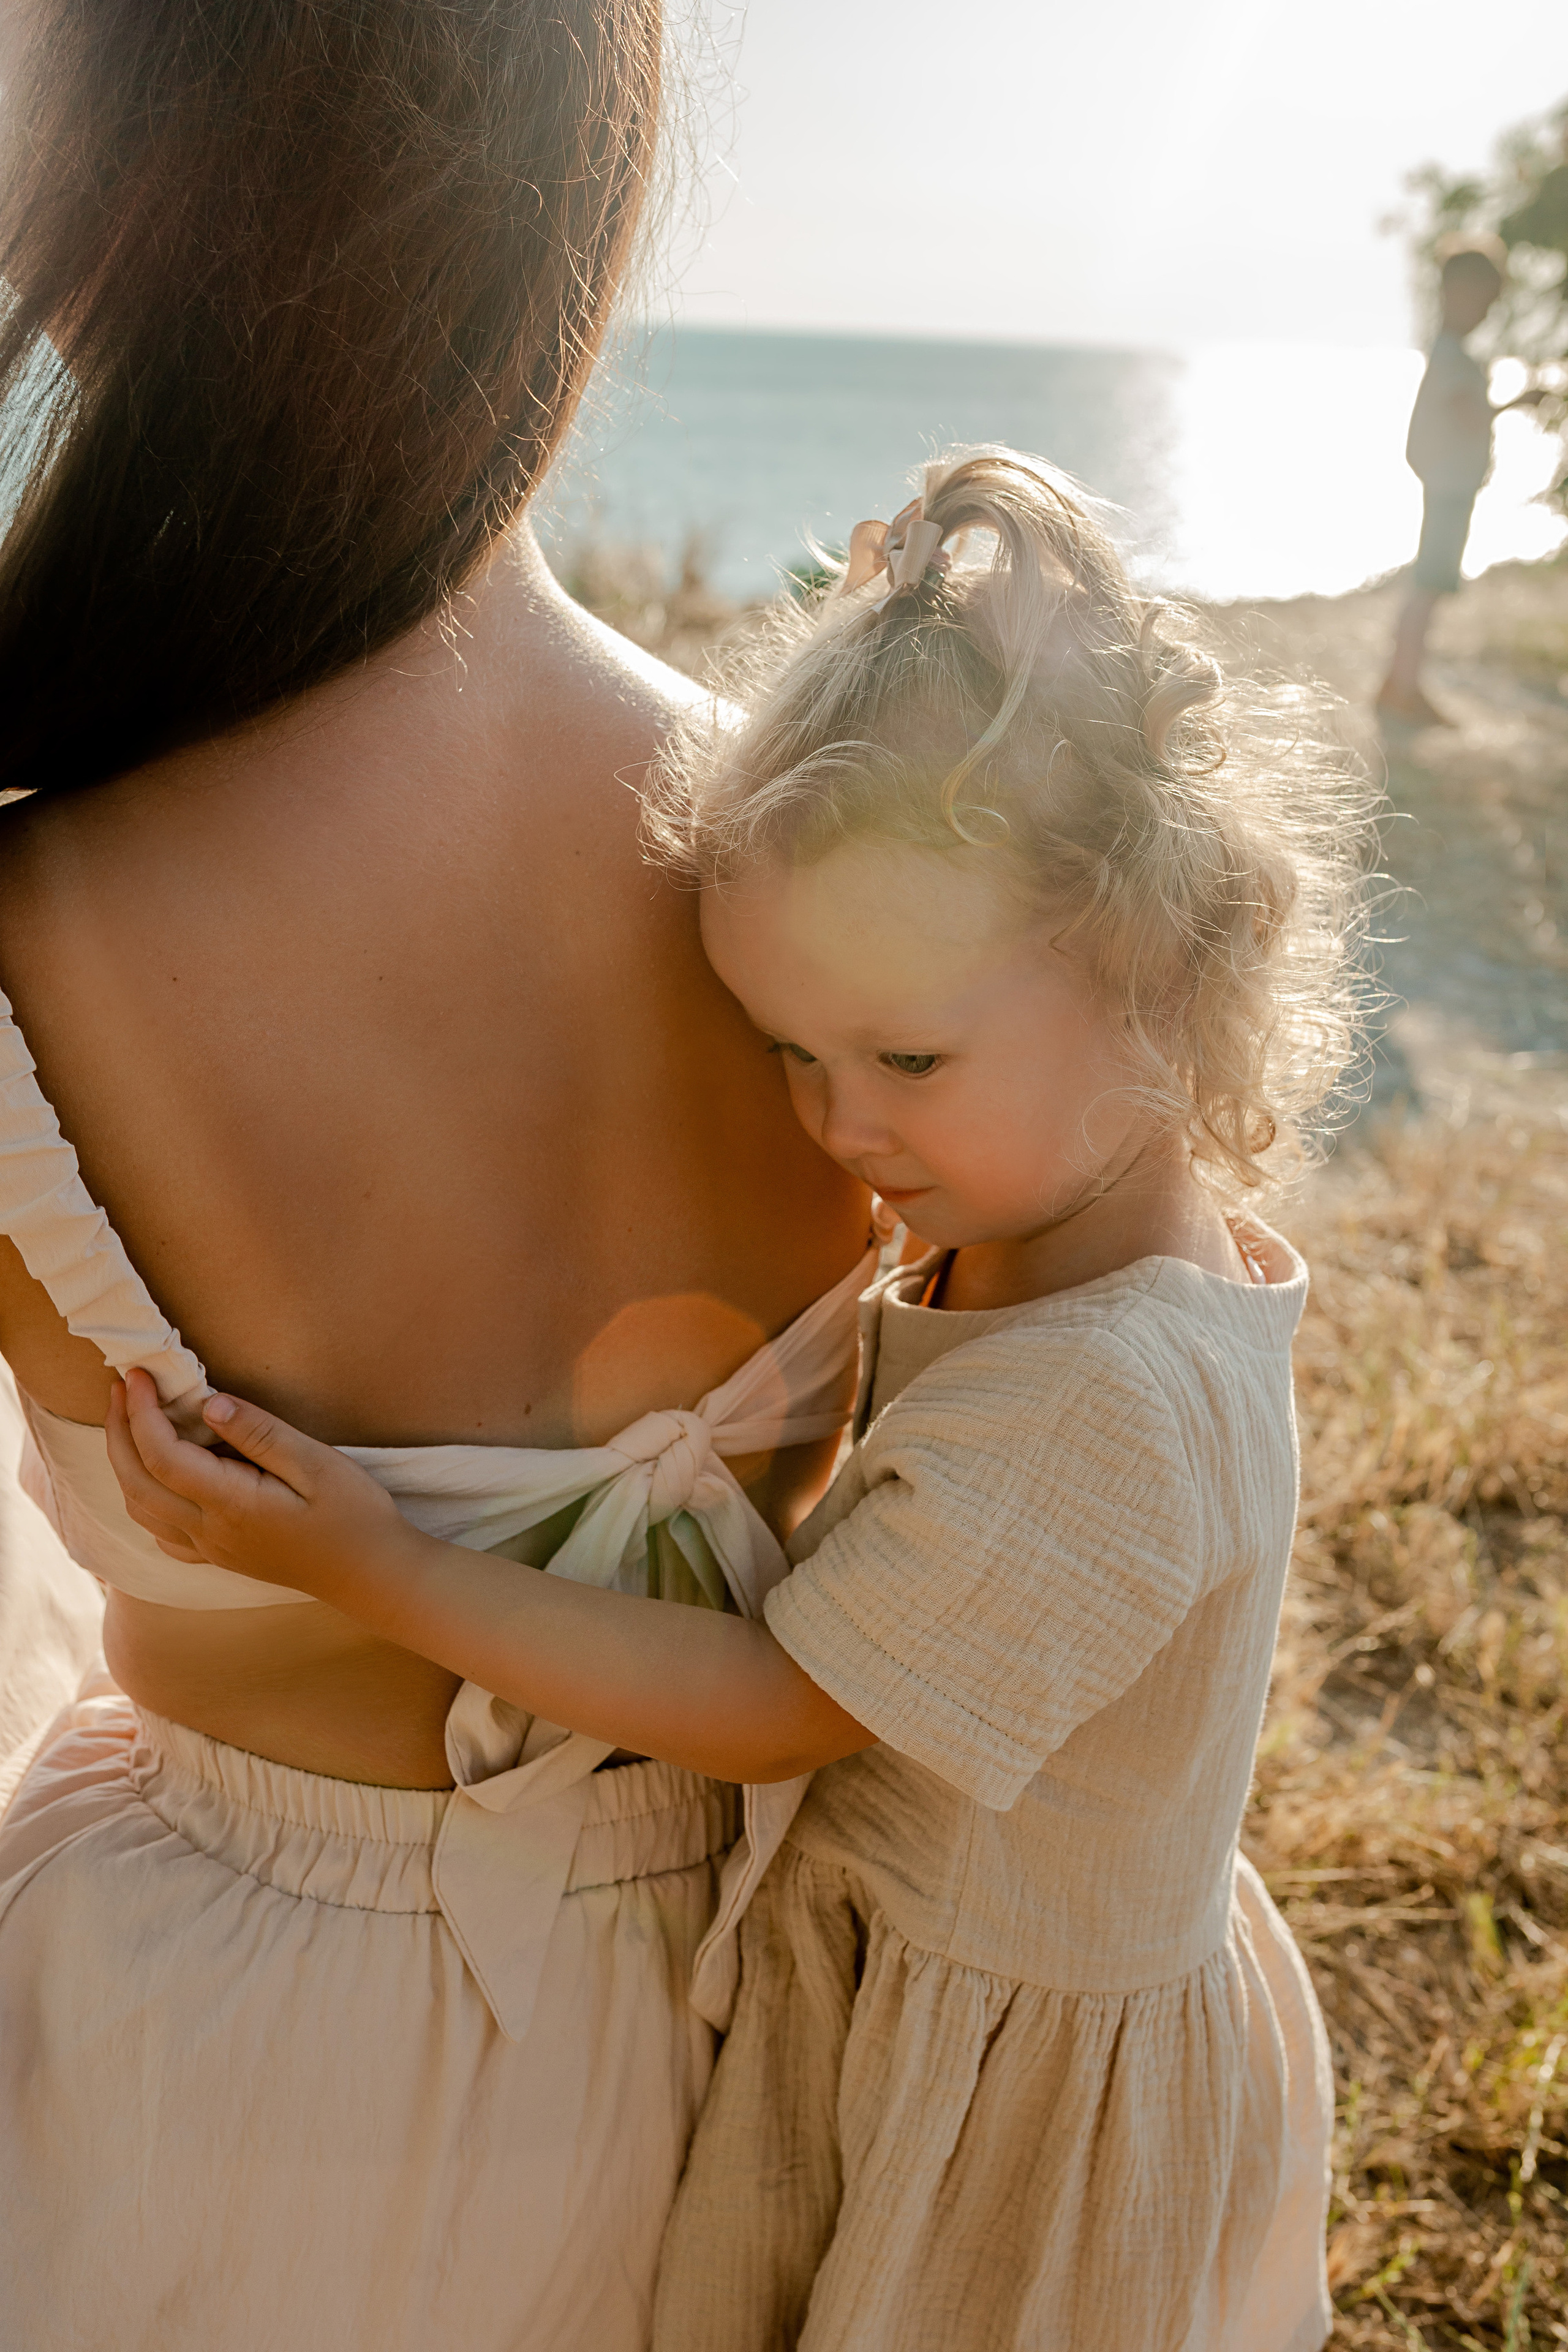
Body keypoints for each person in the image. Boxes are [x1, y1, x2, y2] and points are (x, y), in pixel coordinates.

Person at [110, 449, 1371, 2352]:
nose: (840, 1125)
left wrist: (381, 1569)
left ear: (1160, 975)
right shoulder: (1061, 1234)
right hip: (931, 1974)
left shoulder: (1104, 1396)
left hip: (1001, 2106)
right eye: (788, 1049)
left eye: (908, 1058)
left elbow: (778, 1702)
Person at [0, 5, 867, 2348]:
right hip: (756, 2057)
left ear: (121, 201)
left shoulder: (38, 904)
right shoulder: (859, 881)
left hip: (212, 2085)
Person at [1377, 234, 1546, 727]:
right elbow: (1470, 417)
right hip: (1449, 486)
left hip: (1447, 483)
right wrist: (1520, 402)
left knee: (1427, 585)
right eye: (1485, 300)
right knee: (1428, 587)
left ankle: (1400, 683)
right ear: (1460, 292)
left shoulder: (1447, 350)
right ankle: (1403, 688)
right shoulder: (1453, 354)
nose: (1488, 313)